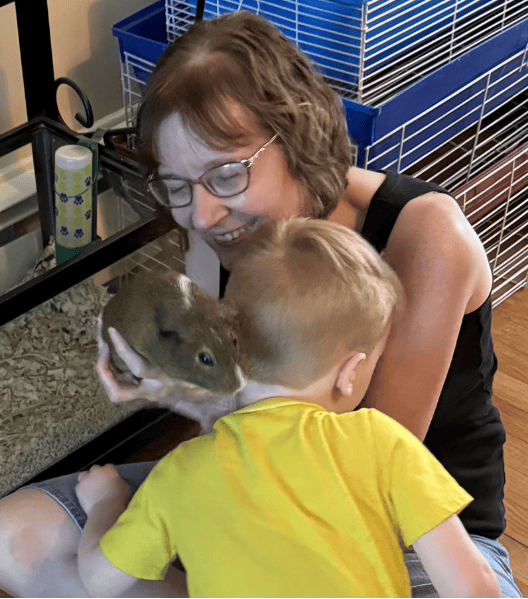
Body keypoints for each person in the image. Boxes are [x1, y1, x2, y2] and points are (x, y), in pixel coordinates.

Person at [0, 10, 520, 598]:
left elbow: (343, 462)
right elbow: (248, 434)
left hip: (413, 529)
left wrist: (182, 410)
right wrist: (182, 398)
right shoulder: (220, 233)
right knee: (17, 534)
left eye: (225, 174)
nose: (200, 215)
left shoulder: (424, 234)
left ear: (297, 137)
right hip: (259, 487)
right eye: (176, 184)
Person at [75, 217, 499, 598]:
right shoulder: (381, 439)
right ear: (349, 370)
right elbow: (476, 591)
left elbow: (96, 580)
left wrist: (105, 503)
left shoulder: (181, 470)